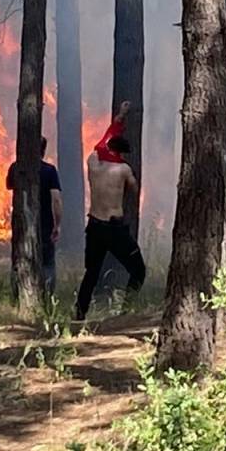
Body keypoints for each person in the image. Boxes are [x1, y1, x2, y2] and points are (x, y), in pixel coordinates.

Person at [75, 101, 146, 320]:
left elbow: (105, 140)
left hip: (94, 226)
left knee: (92, 273)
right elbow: (134, 190)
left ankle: (79, 313)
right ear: (121, 152)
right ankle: (126, 310)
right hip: (115, 229)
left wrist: (121, 115)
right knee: (138, 270)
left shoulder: (92, 162)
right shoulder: (123, 170)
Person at [6, 137, 63, 295]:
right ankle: (47, 297)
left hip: (22, 224)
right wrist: (57, 225)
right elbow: (56, 199)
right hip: (45, 225)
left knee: (20, 260)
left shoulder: (16, 168)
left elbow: (9, 185)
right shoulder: (49, 171)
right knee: (47, 264)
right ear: (43, 151)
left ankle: (19, 296)